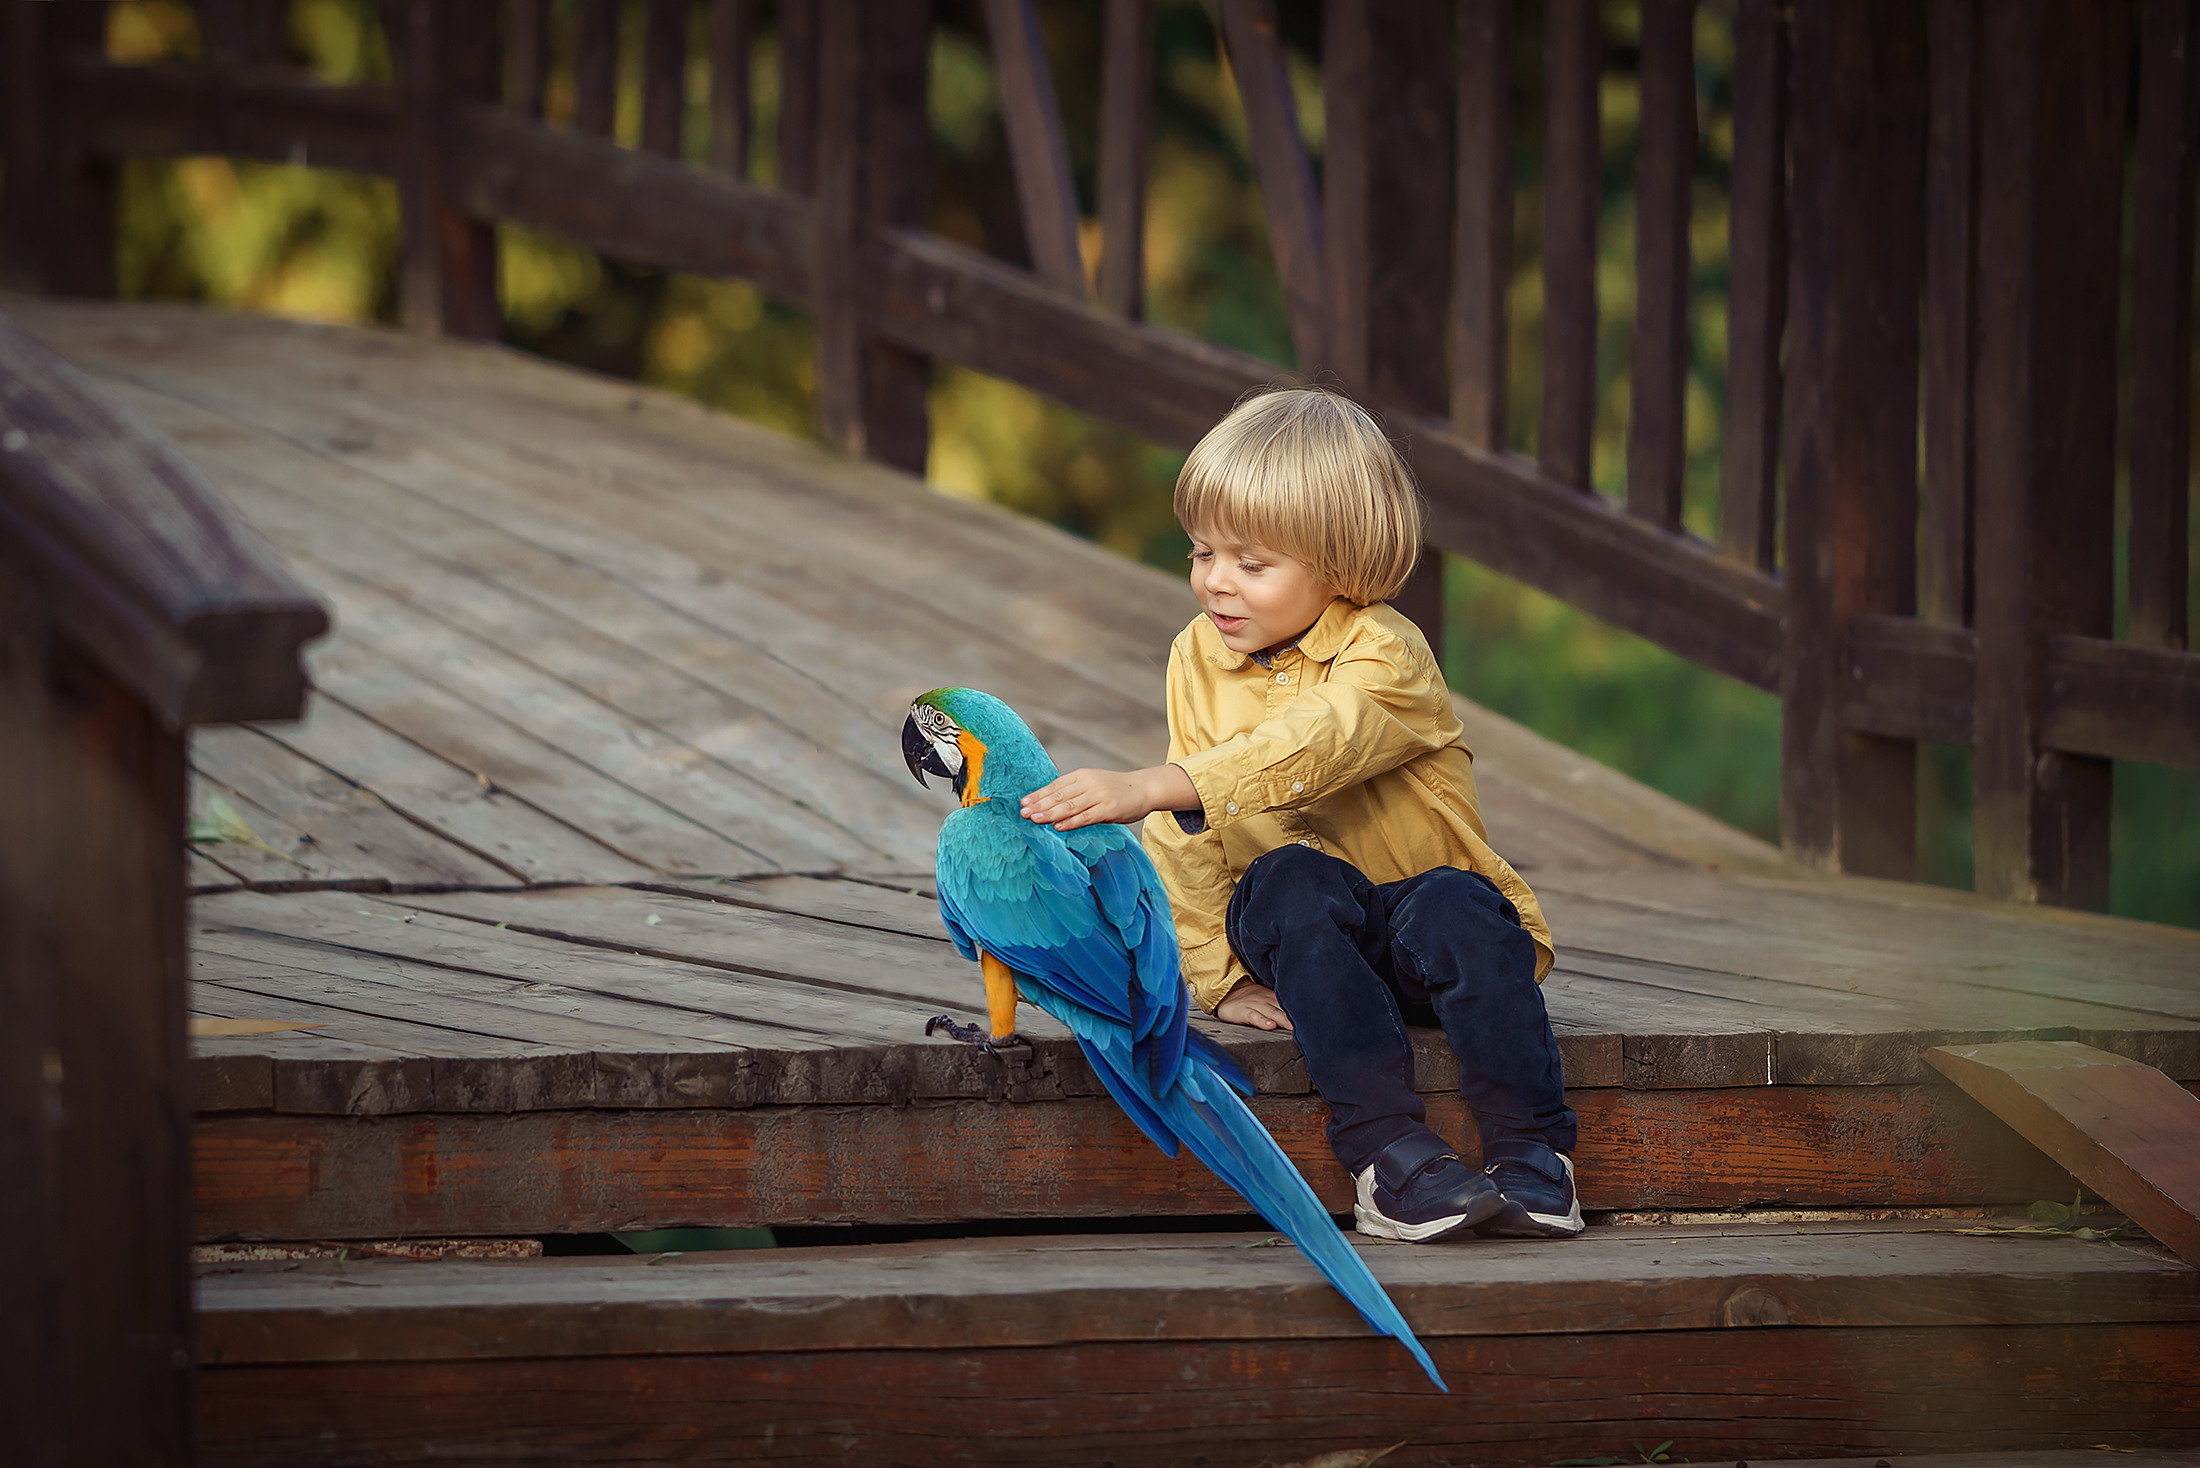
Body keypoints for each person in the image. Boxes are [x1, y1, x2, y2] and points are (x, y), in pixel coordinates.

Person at [1018, 387, 1581, 1243]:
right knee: (1287, 880)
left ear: (1337, 565)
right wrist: (1221, 978)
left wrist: (1159, 783)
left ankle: (1532, 1151)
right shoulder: (1196, 654)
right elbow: (1185, 837)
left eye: (1252, 564)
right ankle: (1390, 1157)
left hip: (1420, 939)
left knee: (1459, 903)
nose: (1216, 581)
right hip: (1309, 946)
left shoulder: (1387, 651)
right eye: (1203, 552)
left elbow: (1317, 741)